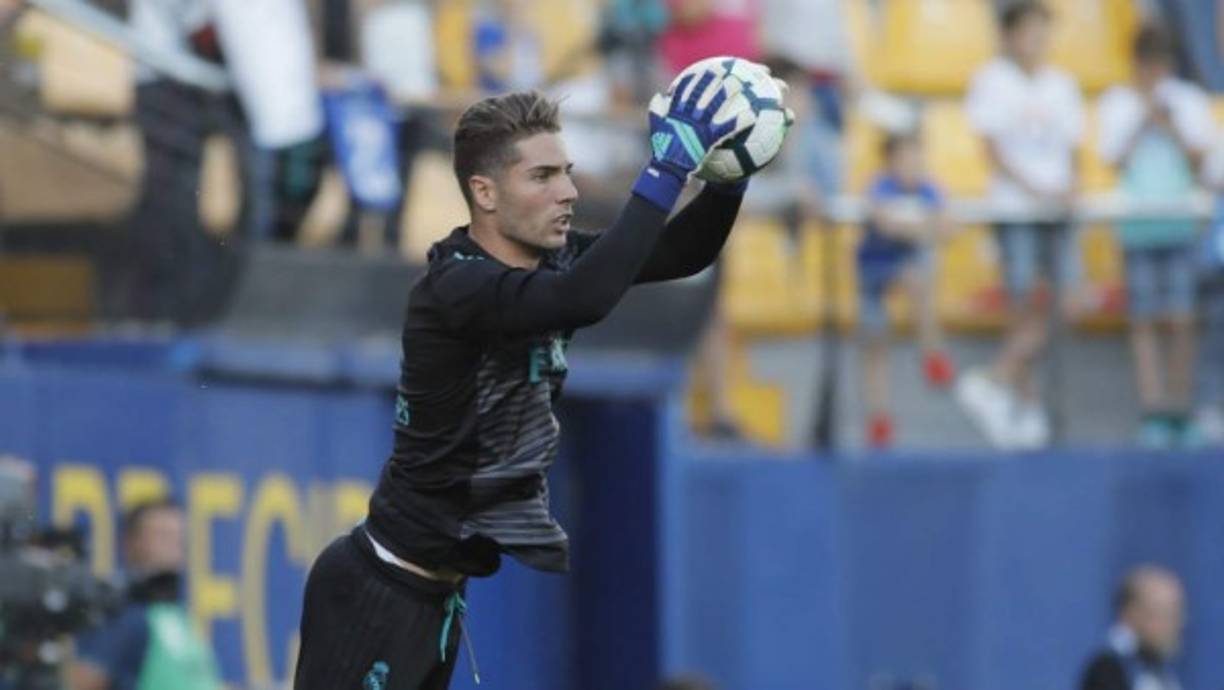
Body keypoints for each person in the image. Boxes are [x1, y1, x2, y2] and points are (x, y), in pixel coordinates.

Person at [294, 70, 789, 689]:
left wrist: (729, 173)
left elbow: (680, 253)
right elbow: (585, 298)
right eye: (543, 176)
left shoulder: (552, 261)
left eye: (567, 172)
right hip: (378, 592)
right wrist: (665, 170)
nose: (569, 192)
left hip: (431, 597)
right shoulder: (457, 286)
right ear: (485, 192)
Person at [957, 1, 1085, 450]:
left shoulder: (1062, 84)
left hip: (1057, 211)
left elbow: (1073, 149)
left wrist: (1069, 188)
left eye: (1042, 30)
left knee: (1068, 302)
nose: (1037, 39)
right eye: (1029, 30)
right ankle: (1023, 402)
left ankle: (995, 378)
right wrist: (1036, 189)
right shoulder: (991, 80)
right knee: (1023, 303)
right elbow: (992, 150)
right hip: (1016, 210)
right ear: (1009, 35)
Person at [1097, 22, 1213, 449]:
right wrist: (1141, 122)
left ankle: (1180, 408)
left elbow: (1202, 162)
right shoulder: (1118, 103)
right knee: (1143, 319)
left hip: (1180, 223)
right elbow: (1112, 159)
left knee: (1182, 318)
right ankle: (1154, 410)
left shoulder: (1188, 101)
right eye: (1148, 66)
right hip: (1137, 226)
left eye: (1161, 65)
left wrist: (1171, 126)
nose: (1154, 74)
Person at [857, 132, 956, 448]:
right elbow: (885, 224)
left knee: (919, 277)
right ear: (890, 161)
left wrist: (915, 228)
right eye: (904, 159)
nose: (911, 165)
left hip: (907, 266)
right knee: (876, 345)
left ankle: (932, 353)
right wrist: (924, 227)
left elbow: (949, 227)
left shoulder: (929, 189)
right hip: (873, 270)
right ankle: (879, 416)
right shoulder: (880, 187)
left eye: (916, 158)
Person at [69, 498, 224, 690]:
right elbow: (85, 681)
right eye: (163, 536)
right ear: (131, 543)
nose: (174, 546)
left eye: (179, 537)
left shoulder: (176, 612)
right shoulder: (122, 612)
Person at [1079, 566, 1185, 690]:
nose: (1177, 624)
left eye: (1177, 615)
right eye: (1165, 614)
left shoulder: (1160, 673)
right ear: (1131, 614)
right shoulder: (1106, 672)